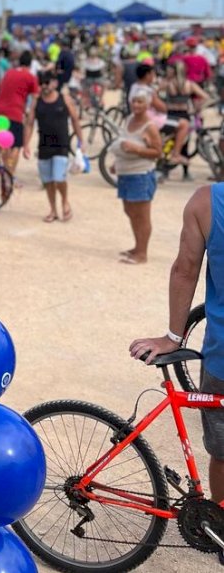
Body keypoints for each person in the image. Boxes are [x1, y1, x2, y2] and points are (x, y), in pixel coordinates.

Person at [129, 182, 224, 515]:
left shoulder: (206, 201)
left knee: (223, 453)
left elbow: (185, 269)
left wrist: (173, 336)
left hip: (221, 356)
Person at [108, 86, 162, 264]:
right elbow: (124, 141)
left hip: (141, 174)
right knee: (129, 210)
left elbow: (157, 152)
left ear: (147, 104)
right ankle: (137, 246)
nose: (136, 105)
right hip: (126, 173)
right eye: (134, 101)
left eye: (140, 102)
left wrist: (137, 149)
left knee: (142, 214)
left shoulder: (150, 127)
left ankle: (142, 253)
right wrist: (117, 163)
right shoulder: (129, 119)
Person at [23, 70, 82, 223]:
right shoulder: (37, 101)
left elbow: (75, 120)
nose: (44, 86)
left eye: (47, 83)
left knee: (59, 178)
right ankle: (53, 210)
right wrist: (26, 144)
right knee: (48, 181)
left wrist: (81, 141)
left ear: (55, 83)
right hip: (44, 145)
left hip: (61, 144)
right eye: (41, 83)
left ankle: (65, 201)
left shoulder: (65, 99)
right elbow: (29, 123)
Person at [0, 50, 40, 177]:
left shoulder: (9, 73)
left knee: (3, 143)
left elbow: (2, 89)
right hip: (15, 113)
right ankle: (10, 174)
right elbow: (35, 98)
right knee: (16, 145)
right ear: (31, 64)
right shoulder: (31, 77)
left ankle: (4, 170)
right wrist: (29, 113)